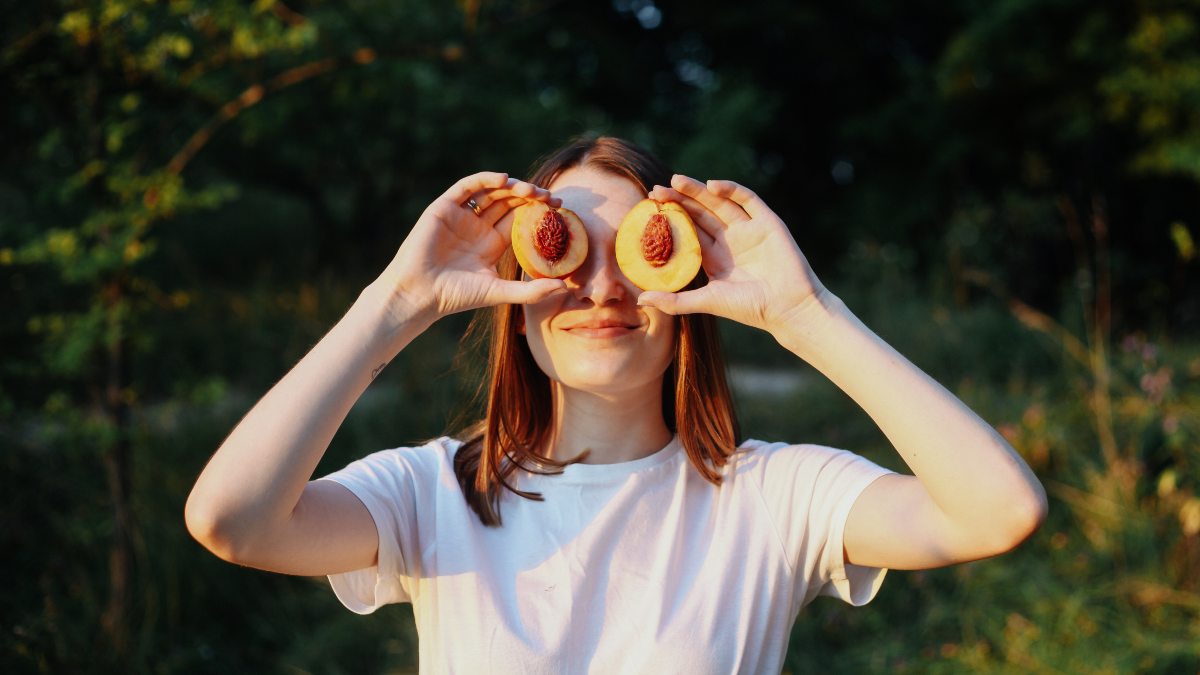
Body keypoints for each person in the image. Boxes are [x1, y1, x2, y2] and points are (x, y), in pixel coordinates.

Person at [185, 135, 1047, 673]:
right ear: (513, 300)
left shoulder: (772, 497)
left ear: (686, 291)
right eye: (565, 254)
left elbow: (999, 510)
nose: (600, 286)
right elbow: (233, 520)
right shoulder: (431, 494)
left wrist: (804, 314)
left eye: (637, 253)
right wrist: (394, 304)